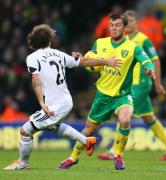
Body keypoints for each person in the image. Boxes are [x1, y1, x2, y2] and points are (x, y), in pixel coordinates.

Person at [3, 24, 120, 170]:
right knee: (54, 127)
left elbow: (36, 80)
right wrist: (106, 61)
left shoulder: (32, 58)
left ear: (33, 41)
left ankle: (23, 162)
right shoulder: (59, 54)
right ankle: (86, 141)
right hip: (65, 101)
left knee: (25, 131)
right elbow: (83, 62)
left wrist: (41, 103)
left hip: (55, 105)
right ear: (50, 40)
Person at [59, 13, 155, 170]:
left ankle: (117, 155)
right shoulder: (100, 43)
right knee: (89, 129)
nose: (114, 28)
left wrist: (149, 70)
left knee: (124, 120)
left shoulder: (133, 48)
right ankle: (73, 157)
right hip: (103, 95)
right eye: (112, 25)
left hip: (123, 95)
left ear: (124, 27)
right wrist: (81, 59)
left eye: (117, 25)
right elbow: (91, 64)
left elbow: (147, 61)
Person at [97, 10, 166, 161]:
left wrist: (158, 83)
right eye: (126, 21)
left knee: (123, 113)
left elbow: (155, 61)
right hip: (129, 84)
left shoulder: (144, 40)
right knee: (148, 117)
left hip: (140, 84)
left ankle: (115, 150)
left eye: (132, 21)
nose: (129, 24)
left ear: (137, 23)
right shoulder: (122, 41)